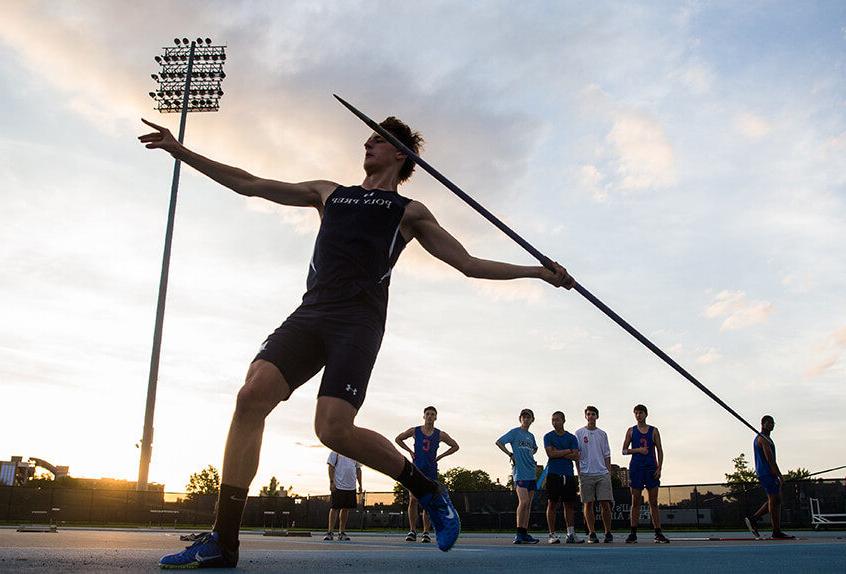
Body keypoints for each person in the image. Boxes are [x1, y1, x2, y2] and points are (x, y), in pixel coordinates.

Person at [139, 114, 574, 567]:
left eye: (378, 141)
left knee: (331, 429)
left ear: (400, 156)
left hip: (358, 323)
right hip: (311, 313)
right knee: (251, 396)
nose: (367, 144)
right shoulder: (329, 193)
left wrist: (538, 272)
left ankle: (425, 487)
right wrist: (179, 150)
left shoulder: (410, 213)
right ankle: (223, 540)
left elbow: (468, 263)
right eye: (368, 138)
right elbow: (249, 183)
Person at [395, 406, 459, 543]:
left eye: (432, 414)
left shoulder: (440, 434)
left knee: (428, 501)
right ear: (424, 416)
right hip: (416, 468)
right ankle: (412, 530)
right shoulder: (415, 431)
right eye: (428, 414)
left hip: (430, 470)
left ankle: (426, 532)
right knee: (413, 499)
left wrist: (441, 456)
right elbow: (398, 439)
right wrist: (409, 451)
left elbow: (455, 446)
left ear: (436, 417)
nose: (430, 416)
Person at [621, 404, 669, 543]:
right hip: (636, 468)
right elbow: (624, 451)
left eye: (641, 412)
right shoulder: (631, 431)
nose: (638, 415)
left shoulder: (654, 431)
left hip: (650, 468)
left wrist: (660, 468)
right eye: (636, 413)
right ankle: (633, 533)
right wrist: (638, 450)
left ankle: (658, 533)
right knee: (635, 501)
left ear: (646, 414)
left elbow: (660, 449)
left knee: (653, 502)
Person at [744, 415, 795, 540]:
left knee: (776, 500)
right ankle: (776, 531)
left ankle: (754, 519)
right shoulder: (762, 439)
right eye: (769, 423)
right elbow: (770, 459)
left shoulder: (766, 439)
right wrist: (779, 475)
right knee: (774, 499)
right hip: (766, 473)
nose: (771, 425)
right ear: (762, 424)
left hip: (767, 473)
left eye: (773, 423)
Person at [496, 409, 540, 544]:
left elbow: (535, 448)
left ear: (532, 420)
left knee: (528, 504)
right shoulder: (515, 432)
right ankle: (518, 533)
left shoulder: (531, 436)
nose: (526, 419)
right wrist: (510, 454)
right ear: (520, 419)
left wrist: (530, 456)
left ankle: (524, 533)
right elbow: (499, 442)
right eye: (524, 417)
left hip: (531, 472)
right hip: (520, 472)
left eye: (529, 417)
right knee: (524, 501)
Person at [575, 405, 614, 543]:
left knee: (605, 504)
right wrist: (580, 473)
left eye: (593, 414)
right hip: (586, 474)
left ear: (597, 416)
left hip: (602, 473)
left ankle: (608, 532)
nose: (591, 416)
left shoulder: (602, 434)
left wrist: (608, 472)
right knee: (588, 504)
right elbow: (577, 454)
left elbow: (607, 454)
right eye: (588, 414)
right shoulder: (579, 433)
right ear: (585, 416)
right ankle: (592, 533)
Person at [543, 411, 583, 544]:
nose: (555, 422)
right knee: (552, 503)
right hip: (553, 474)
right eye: (553, 420)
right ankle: (552, 534)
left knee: (569, 505)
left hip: (569, 474)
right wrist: (567, 451)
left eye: (557, 420)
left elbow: (576, 456)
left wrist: (558, 452)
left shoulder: (571, 438)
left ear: (563, 421)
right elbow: (550, 454)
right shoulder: (548, 436)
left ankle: (570, 534)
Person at [324, 451, 362, 541]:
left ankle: (342, 532)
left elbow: (358, 469)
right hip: (338, 485)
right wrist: (332, 482)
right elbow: (331, 466)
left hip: (351, 486)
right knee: (334, 508)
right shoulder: (335, 451)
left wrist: (360, 484)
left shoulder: (356, 452)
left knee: (346, 509)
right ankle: (330, 532)